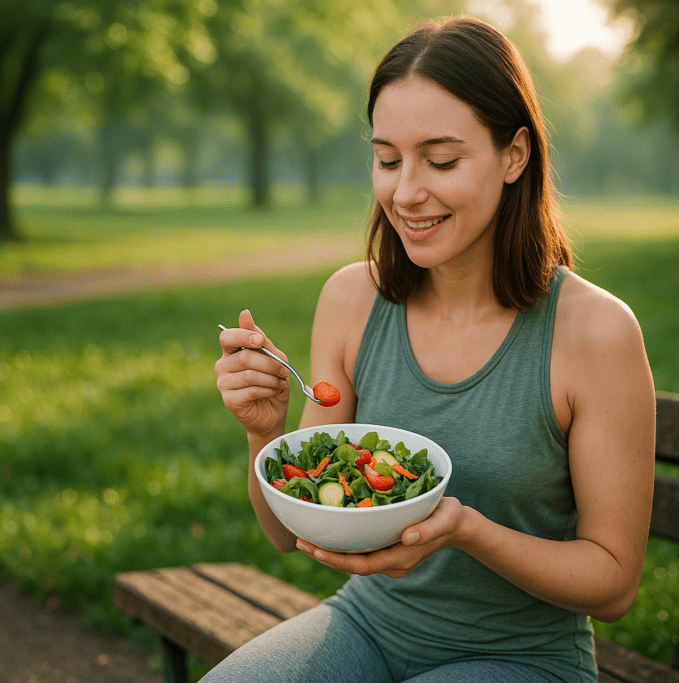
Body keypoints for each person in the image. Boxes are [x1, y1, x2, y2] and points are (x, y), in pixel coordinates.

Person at [212, 16, 655, 683]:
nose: (405, 191)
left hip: (520, 657)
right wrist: (264, 434)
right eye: (387, 159)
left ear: (515, 156)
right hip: (364, 624)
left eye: (441, 160)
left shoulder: (596, 333)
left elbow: (615, 582)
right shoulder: (350, 300)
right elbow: (290, 532)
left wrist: (466, 529)